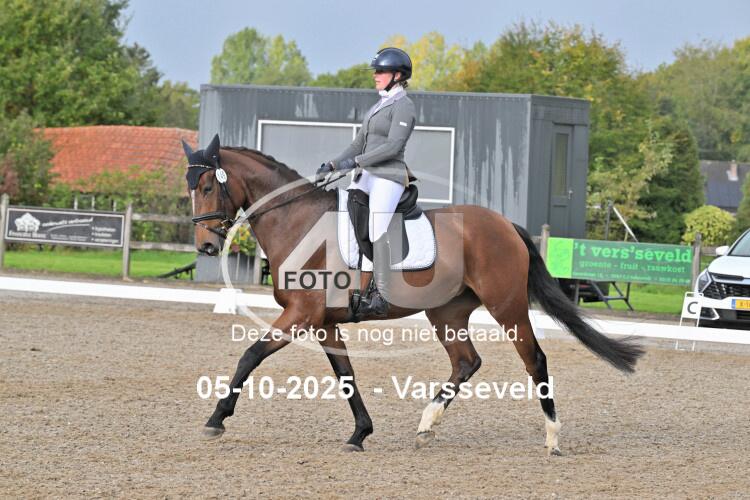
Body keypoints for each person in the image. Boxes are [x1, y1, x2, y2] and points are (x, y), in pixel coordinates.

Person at [317, 47, 417, 316]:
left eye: (381, 71)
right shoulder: (377, 106)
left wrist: (357, 162)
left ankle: (382, 294)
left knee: (376, 229)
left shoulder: (404, 106)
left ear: (398, 75)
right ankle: (350, 284)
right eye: (376, 71)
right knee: (346, 220)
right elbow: (357, 144)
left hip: (388, 176)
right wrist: (333, 164)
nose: (376, 75)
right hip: (366, 176)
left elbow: (394, 146)